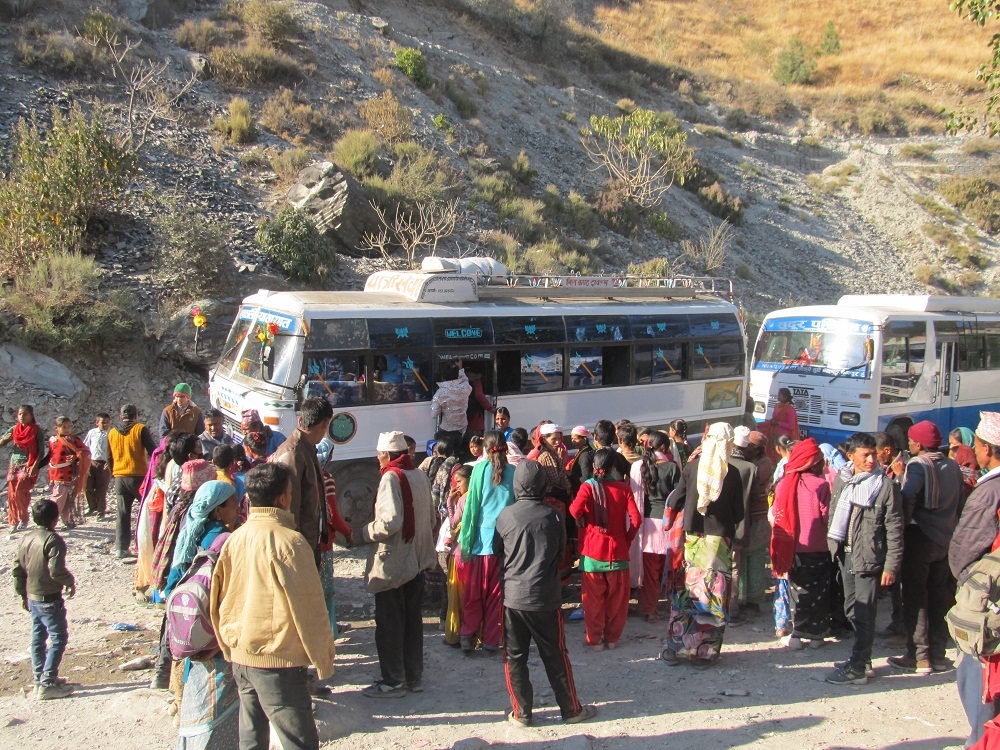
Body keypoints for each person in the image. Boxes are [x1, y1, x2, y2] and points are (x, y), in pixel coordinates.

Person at [210, 462, 335, 750]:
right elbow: (310, 608)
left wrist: (228, 644)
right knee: (298, 740)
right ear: (282, 498)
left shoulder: (234, 539)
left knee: (251, 738)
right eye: (290, 493)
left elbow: (218, 598)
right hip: (276, 660)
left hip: (242, 654)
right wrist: (323, 659)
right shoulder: (290, 542)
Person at [493, 459, 597, 727]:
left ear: (517, 485)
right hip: (546, 597)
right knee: (556, 654)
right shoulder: (553, 515)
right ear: (542, 486)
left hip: (514, 597)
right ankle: (571, 710)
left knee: (515, 657)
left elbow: (497, 552)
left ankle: (522, 713)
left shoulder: (505, 515)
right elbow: (562, 553)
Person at [661, 422, 746, 667]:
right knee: (713, 594)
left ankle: (677, 648)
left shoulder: (692, 467)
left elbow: (676, 498)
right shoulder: (732, 473)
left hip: (692, 542)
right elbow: (739, 512)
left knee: (687, 592)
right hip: (718, 543)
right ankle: (705, 652)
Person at [825, 432, 903, 685]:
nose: (871, 460)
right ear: (851, 456)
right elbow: (835, 511)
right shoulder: (844, 479)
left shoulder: (885, 487)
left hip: (869, 558)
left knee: (864, 612)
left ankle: (858, 665)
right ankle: (862, 658)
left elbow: (894, 528)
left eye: (873, 454)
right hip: (845, 555)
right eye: (865, 455)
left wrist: (891, 565)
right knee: (852, 609)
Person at [362, 431, 435, 697]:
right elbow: (431, 517)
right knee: (412, 621)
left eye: (380, 454)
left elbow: (390, 522)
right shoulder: (419, 475)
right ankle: (414, 676)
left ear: (387, 455)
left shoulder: (391, 478)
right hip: (417, 560)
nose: (378, 459)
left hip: (393, 563)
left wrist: (366, 531)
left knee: (390, 624)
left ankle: (393, 681)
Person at [887, 420, 962, 676]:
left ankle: (918, 657)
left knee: (915, 597)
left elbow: (908, 497)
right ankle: (939, 655)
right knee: (940, 597)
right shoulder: (952, 465)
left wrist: (899, 478)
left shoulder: (918, 465)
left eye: (910, 440)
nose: (909, 444)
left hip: (920, 537)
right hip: (945, 539)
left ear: (918, 444)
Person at [172, 481, 241, 750]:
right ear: (218, 512)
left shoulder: (188, 534)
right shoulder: (225, 540)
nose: (238, 509)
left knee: (196, 703)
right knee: (220, 709)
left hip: (190, 637)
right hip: (215, 639)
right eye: (233, 505)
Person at [950, 411, 1000, 748]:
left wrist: (972, 587)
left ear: (985, 449)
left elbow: (963, 551)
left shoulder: (988, 491)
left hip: (987, 605)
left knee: (979, 684)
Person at [570, 448, 641, 650]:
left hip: (592, 552)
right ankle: (611, 639)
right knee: (617, 602)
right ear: (613, 467)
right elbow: (635, 520)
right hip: (617, 552)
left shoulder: (587, 487)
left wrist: (583, 517)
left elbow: (574, 510)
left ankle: (595, 640)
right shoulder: (623, 489)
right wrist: (626, 540)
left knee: (593, 601)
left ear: (594, 466)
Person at [458, 430, 516, 655]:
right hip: (504, 542)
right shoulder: (513, 471)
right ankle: (492, 640)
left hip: (481, 542)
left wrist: (466, 540)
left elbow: (472, 507)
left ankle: (467, 636)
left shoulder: (480, 469)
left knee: (474, 593)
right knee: (496, 595)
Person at [12, 498, 76, 701]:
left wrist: (22, 594)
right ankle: (47, 683)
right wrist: (70, 581)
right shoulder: (53, 540)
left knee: (38, 638)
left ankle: (40, 678)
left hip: (32, 596)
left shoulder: (26, 538)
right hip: (49, 598)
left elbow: (17, 569)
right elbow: (56, 570)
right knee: (58, 638)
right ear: (55, 519)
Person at [770, 438, 831, 649]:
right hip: (817, 547)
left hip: (792, 548)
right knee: (818, 592)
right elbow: (826, 517)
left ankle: (796, 633)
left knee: (797, 592)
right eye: (821, 461)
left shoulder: (784, 485)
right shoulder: (822, 485)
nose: (824, 465)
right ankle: (816, 635)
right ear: (812, 463)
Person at [269, 397, 334, 564]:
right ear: (326, 423)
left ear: (300, 420)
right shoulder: (293, 454)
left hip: (307, 543)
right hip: (296, 547)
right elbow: (289, 509)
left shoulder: (306, 449)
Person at [629, 431, 680, 623]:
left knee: (649, 573)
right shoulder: (672, 468)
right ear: (665, 448)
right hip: (668, 524)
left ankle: (650, 610)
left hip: (647, 526)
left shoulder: (640, 467)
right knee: (669, 570)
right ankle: (672, 606)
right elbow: (678, 496)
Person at [109, 404, 157, 558]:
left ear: (120, 416)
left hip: (119, 477)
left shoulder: (112, 432)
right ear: (136, 416)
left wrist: (114, 474)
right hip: (138, 477)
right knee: (147, 511)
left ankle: (121, 548)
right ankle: (147, 545)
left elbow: (108, 456)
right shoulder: (140, 429)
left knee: (122, 513)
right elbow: (152, 451)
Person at [729, 426, 762, 621]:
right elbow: (756, 497)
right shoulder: (751, 469)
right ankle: (732, 610)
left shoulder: (722, 464)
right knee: (734, 568)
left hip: (718, 526)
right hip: (740, 525)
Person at [1, 405, 46, 532]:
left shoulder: (37, 431)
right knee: (12, 494)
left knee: (21, 492)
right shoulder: (14, 429)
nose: (21, 416)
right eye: (20, 414)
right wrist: (4, 439)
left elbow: (41, 451)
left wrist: (35, 466)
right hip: (14, 464)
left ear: (31, 416)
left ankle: (23, 518)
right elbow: (1, 443)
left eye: (25, 414)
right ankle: (13, 521)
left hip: (28, 464)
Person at [442, 464, 473, 647]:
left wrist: (450, 504)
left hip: (459, 553)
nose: (457, 486)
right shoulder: (479, 497)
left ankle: (455, 634)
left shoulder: (463, 500)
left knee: (457, 597)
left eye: (459, 481)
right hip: (475, 553)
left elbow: (453, 524)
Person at [47, 416, 91, 529]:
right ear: (56, 428)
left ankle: (51, 522)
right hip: (54, 473)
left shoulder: (73, 440)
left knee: (59, 499)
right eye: (63, 427)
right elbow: (50, 456)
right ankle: (66, 521)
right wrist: (36, 466)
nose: (67, 429)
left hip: (66, 474)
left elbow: (85, 451)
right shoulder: (53, 440)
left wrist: (75, 457)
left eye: (69, 426)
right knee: (63, 499)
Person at [431, 361, 472, 444]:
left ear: (443, 376)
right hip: (462, 429)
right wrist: (461, 368)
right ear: (457, 375)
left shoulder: (440, 393)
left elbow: (433, 415)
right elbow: (465, 379)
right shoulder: (466, 387)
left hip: (447, 431)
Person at [83, 413, 112, 518]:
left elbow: (114, 450)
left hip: (104, 464)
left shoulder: (111, 434)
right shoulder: (92, 433)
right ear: (97, 423)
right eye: (103, 422)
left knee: (101, 488)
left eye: (107, 423)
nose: (105, 425)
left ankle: (101, 510)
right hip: (91, 462)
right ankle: (92, 507)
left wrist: (109, 464)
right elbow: (86, 446)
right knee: (88, 486)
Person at [760, 388, 799, 462]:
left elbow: (791, 426)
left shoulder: (790, 410)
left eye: (780, 395)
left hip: (783, 437)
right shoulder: (776, 406)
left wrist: (778, 423)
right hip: (774, 434)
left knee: (780, 454)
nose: (778, 396)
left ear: (785, 397)